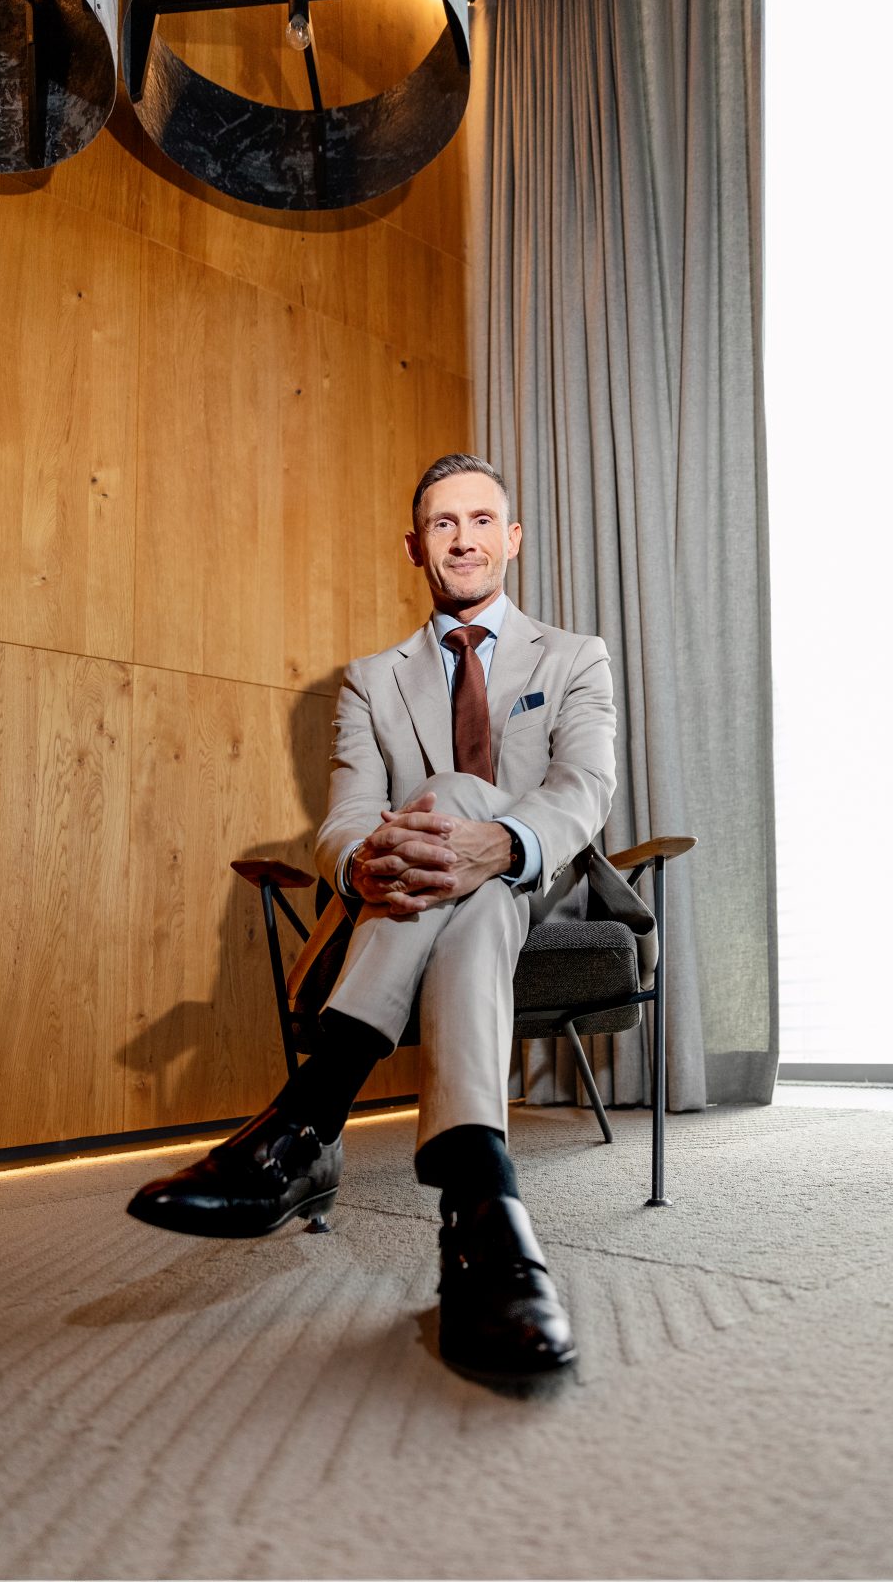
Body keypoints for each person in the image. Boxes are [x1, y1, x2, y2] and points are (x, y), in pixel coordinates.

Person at [128, 453, 636, 1379]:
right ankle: (482, 1209)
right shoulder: (371, 680)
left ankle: (306, 1119)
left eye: (480, 521)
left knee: (457, 800)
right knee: (463, 882)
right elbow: (348, 819)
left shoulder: (574, 656)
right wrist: (362, 861)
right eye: (443, 524)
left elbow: (582, 788)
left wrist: (496, 841)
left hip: (538, 877)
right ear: (415, 546)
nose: (463, 540)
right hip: (414, 893)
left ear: (511, 539)